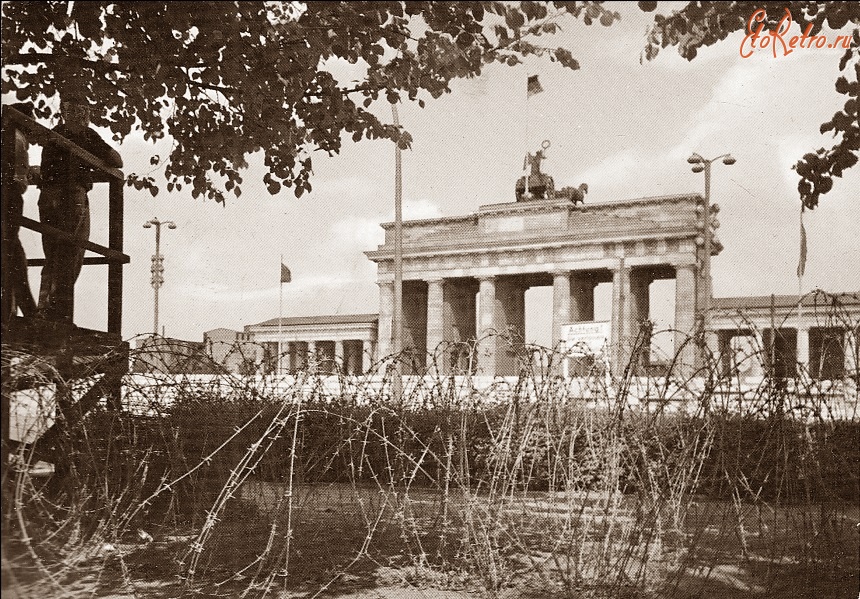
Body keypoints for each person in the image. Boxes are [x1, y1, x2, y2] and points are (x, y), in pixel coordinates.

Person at [37, 89, 122, 322]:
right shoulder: (86, 135)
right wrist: (92, 163)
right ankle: (59, 314)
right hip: (71, 196)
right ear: (83, 113)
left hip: (47, 197)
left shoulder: (55, 134)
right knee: (72, 252)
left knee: (52, 254)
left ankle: (44, 309)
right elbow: (117, 160)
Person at [1, 102, 38, 327]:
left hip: (10, 192)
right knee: (11, 249)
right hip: (10, 195)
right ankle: (23, 309)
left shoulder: (10, 136)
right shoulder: (16, 138)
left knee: (13, 249)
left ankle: (24, 307)